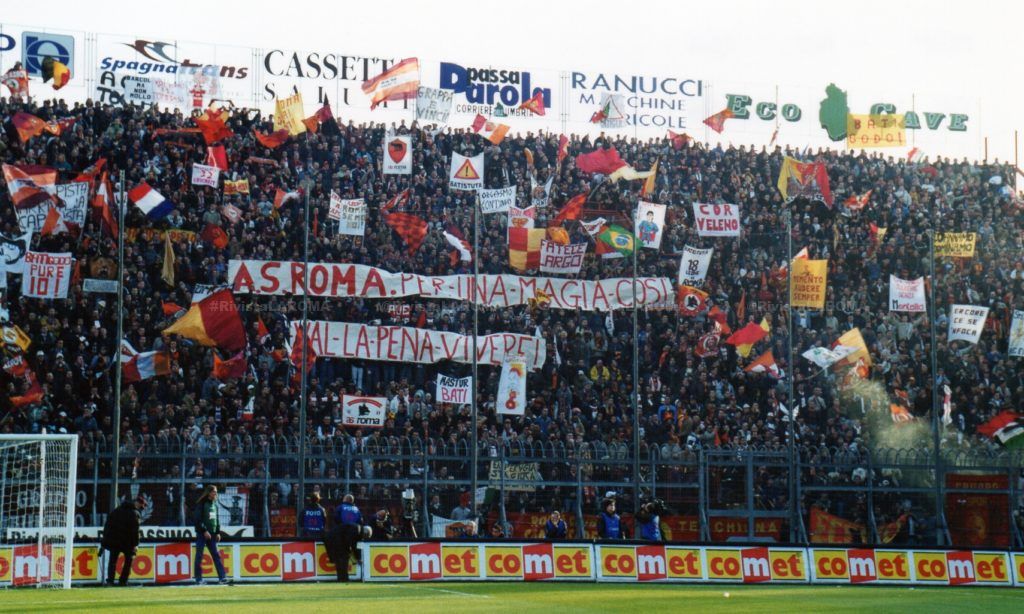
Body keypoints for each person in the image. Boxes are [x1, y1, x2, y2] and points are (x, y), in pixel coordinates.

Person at [100, 495, 144, 586]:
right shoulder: (135, 513)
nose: (140, 508)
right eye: (140, 506)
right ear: (137, 503)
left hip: (115, 540)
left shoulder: (116, 511)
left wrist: (105, 541)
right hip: (128, 542)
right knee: (128, 561)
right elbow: (135, 531)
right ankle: (123, 581)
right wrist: (136, 544)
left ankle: (110, 581)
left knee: (112, 561)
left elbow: (107, 527)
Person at [192, 485, 228, 584]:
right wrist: (204, 531)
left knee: (216, 555)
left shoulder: (215, 504)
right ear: (209, 492)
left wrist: (217, 532)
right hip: (202, 534)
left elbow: (216, 520)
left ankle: (222, 577)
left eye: (216, 492)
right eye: (214, 492)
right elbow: (197, 519)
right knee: (199, 556)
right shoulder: (202, 503)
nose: (215, 494)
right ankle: (198, 579)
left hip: (212, 534)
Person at [326, 493, 364, 581]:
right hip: (353, 533)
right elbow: (360, 522)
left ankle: (341, 577)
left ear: (345, 500)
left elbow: (335, 518)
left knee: (340, 555)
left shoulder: (340, 507)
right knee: (348, 554)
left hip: (341, 533)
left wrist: (341, 528)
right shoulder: (356, 509)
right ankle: (347, 574)